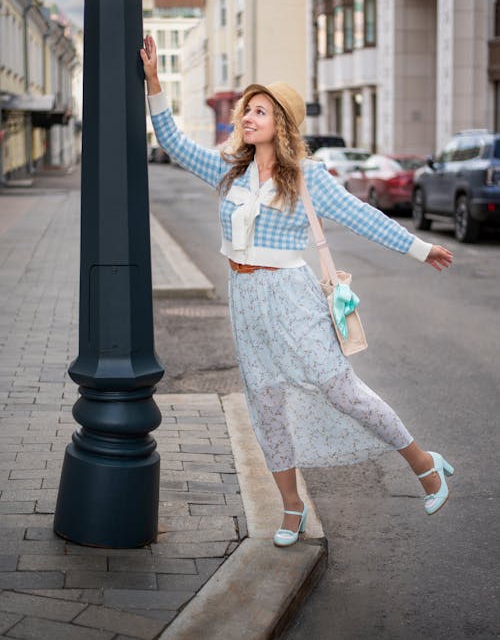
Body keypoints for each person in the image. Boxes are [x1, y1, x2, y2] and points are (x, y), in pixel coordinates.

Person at [141, 35, 454, 548]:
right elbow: (174, 143)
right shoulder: (231, 170)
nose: (247, 117)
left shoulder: (308, 176)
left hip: (290, 295)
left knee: (340, 389)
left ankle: (424, 464)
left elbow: (361, 216)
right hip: (244, 300)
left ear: (281, 123)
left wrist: (419, 248)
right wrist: (154, 84)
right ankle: (292, 508)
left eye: (259, 111)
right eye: (247, 109)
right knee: (264, 405)